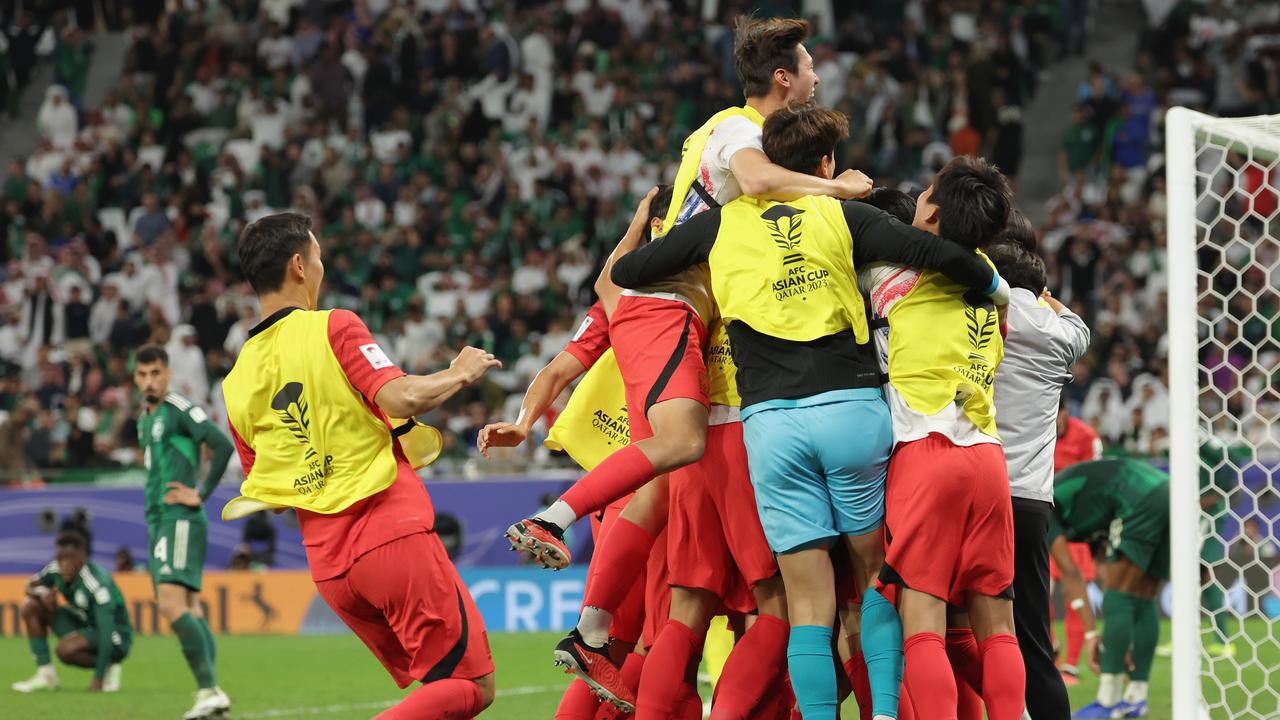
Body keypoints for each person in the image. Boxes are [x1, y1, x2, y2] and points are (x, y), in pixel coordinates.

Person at [508, 17, 873, 709]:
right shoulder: (739, 133)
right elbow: (758, 177)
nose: (820, 77)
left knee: (685, 581)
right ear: (782, 79)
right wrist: (841, 193)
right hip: (688, 336)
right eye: (810, 67)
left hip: (685, 340)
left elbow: (610, 286)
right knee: (762, 588)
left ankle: (591, 630)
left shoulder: (715, 145)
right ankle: (554, 523)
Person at [613, 104, 1012, 720]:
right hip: (852, 414)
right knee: (875, 578)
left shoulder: (720, 226)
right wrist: (993, 286)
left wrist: (656, 232)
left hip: (771, 425)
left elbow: (631, 273)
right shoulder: (848, 216)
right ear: (826, 165)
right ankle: (883, 713)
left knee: (806, 607)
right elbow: (941, 255)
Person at [221, 212, 501, 720]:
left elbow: (269, 492)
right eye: (319, 255)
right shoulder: (334, 326)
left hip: (330, 570)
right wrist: (459, 372)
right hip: (390, 536)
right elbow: (402, 396)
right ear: (299, 267)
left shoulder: (236, 380)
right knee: (471, 685)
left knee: (439, 690)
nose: (323, 265)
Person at [479, 188, 674, 719]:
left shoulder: (625, 297)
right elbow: (562, 367)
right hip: (651, 489)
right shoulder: (664, 295)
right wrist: (522, 422)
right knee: (650, 647)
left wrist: (524, 424)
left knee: (615, 650)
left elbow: (561, 367)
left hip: (624, 487)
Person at [859, 156, 1026, 720]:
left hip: (926, 455)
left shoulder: (893, 280)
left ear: (931, 213)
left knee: (923, 622)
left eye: (926, 193)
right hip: (988, 458)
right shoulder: (991, 289)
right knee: (997, 626)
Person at [988, 225, 1091, 720]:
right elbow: (1081, 330)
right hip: (1030, 500)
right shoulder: (1062, 335)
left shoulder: (980, 317)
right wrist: (1051, 302)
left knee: (961, 629)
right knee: (1032, 636)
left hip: (978, 487)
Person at [133, 343, 235, 720]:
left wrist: (201, 493)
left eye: (155, 373)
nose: (149, 381)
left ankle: (209, 690)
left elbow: (221, 445)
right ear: (134, 378)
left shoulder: (177, 409)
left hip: (178, 517)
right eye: (142, 375)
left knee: (171, 606)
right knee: (189, 607)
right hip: (160, 520)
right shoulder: (145, 417)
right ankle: (213, 693)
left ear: (168, 374)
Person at [1050, 458, 1169, 719]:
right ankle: (1137, 696)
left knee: (1120, 592)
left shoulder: (1043, 502)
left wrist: (1093, 635)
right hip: (1166, 489)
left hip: (1138, 496)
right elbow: (1103, 564)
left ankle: (1108, 701)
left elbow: (1070, 572)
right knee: (1144, 592)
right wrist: (1118, 635)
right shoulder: (1088, 511)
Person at [12, 529, 131, 694]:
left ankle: (109, 667)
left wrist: (98, 678)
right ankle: (46, 674)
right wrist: (42, 592)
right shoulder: (56, 569)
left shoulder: (97, 583)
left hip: (115, 636)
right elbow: (29, 585)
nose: (64, 565)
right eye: (61, 559)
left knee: (64, 650)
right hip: (85, 623)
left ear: (82, 557)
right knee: (31, 605)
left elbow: (105, 631)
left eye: (70, 559)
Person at [1051, 390, 1103, 686]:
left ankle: (1070, 666)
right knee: (1039, 593)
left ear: (1066, 410)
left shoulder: (1086, 437)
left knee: (1075, 597)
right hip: (1046, 525)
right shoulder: (1039, 430)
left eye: (1057, 414)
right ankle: (1052, 657)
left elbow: (1093, 483)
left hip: (1075, 528)